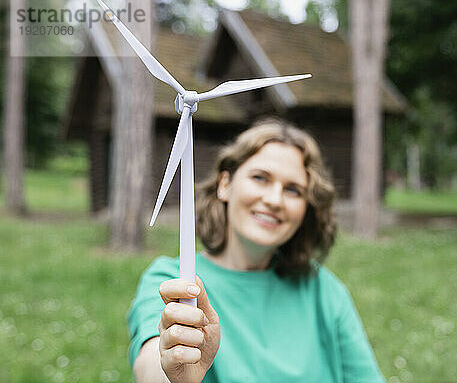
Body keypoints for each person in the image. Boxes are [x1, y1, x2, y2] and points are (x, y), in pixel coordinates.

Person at [127, 119, 385, 383]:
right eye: (260, 178)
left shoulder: (322, 290)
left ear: (306, 208)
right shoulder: (175, 280)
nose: (274, 200)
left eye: (293, 190)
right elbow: (150, 367)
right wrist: (175, 373)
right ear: (225, 184)